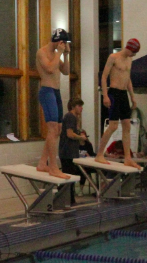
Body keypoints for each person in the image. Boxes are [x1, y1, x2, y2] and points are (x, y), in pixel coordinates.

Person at [95, 38, 141, 169]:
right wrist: (105, 96)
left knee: (127, 125)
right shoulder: (113, 57)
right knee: (113, 126)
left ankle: (128, 158)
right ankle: (99, 154)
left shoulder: (129, 60)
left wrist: (132, 97)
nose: (134, 55)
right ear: (130, 49)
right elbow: (103, 77)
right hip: (113, 93)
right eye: (134, 52)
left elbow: (128, 80)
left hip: (123, 94)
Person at [36, 28, 71, 179]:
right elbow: (50, 68)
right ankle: (53, 166)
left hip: (56, 92)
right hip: (46, 91)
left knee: (58, 129)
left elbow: (66, 71)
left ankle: (42, 163)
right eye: (63, 42)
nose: (63, 45)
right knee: (52, 128)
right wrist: (59, 53)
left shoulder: (58, 55)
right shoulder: (42, 52)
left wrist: (66, 55)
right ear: (58, 41)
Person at [59, 98, 85, 204]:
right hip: (67, 152)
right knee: (68, 176)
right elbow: (70, 134)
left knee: (71, 176)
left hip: (70, 151)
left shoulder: (74, 118)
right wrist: (81, 138)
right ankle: (66, 198)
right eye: (79, 106)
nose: (81, 108)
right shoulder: (70, 117)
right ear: (74, 107)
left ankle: (69, 198)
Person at [77, 129, 95, 196]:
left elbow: (92, 155)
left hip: (86, 164)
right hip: (77, 164)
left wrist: (88, 155)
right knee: (80, 170)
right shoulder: (75, 144)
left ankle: (81, 189)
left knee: (84, 171)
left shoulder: (88, 144)